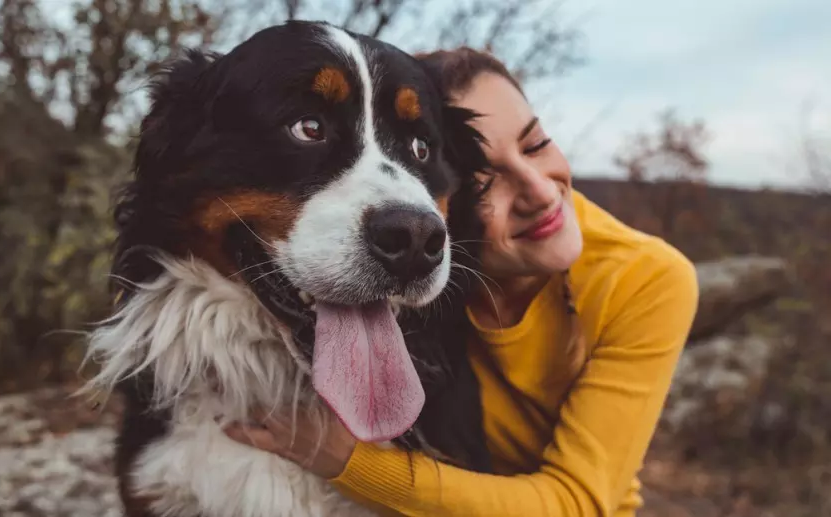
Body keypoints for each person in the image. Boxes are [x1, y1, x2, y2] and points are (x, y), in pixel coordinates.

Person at [226, 47, 700, 517]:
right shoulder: (408, 271)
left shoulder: (647, 276)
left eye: (535, 145)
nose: (540, 191)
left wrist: (344, 460)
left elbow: (576, 503)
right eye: (485, 181)